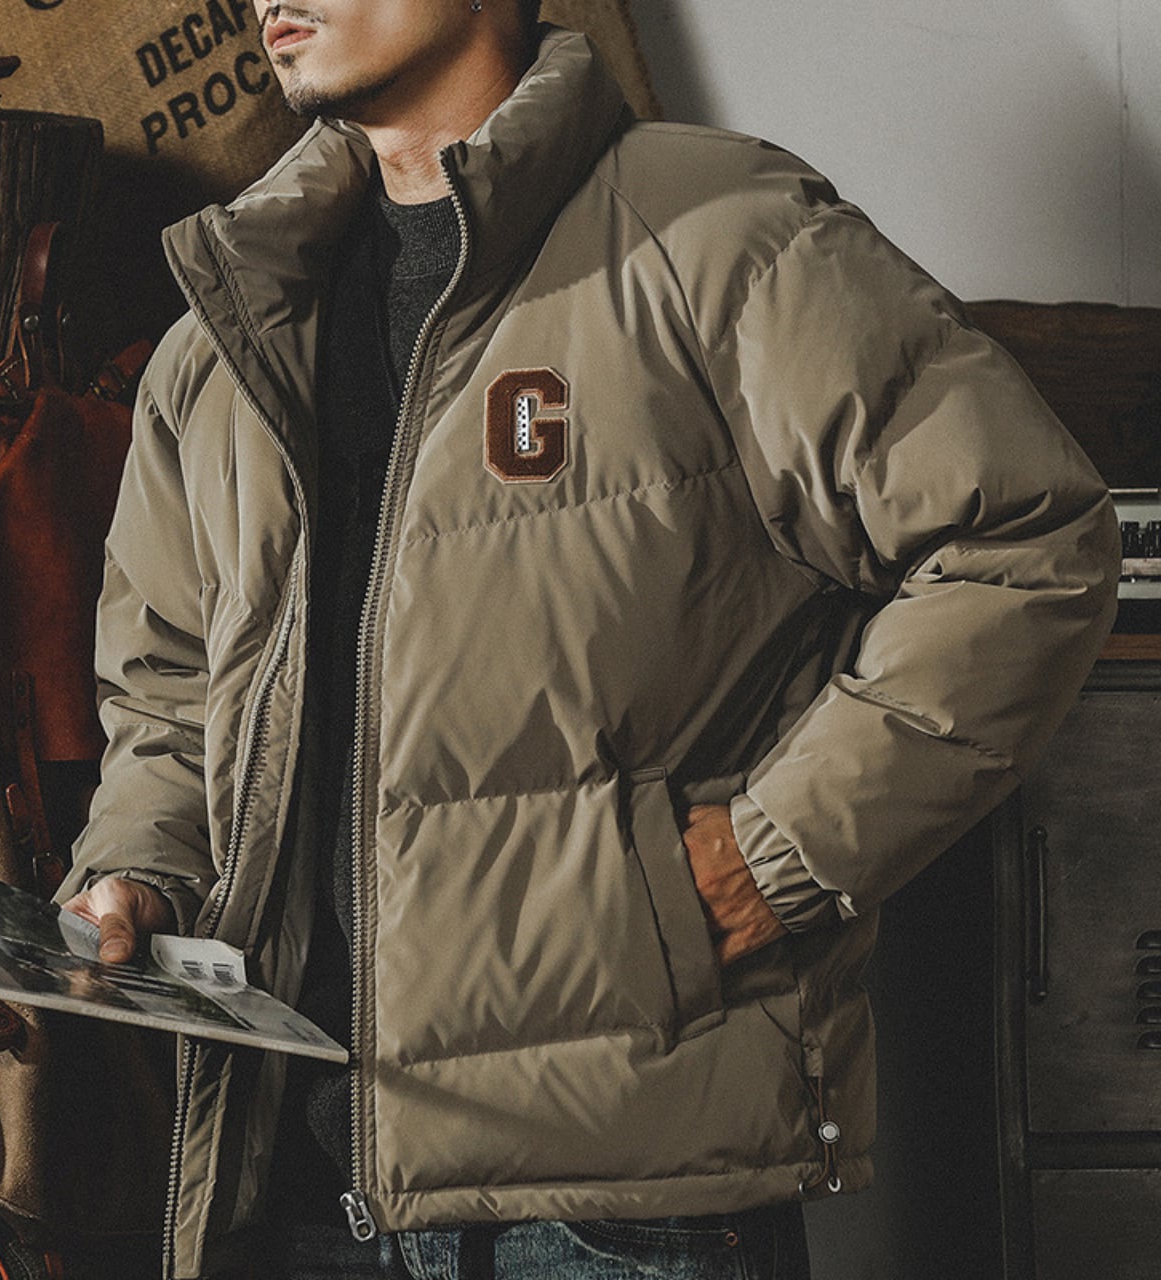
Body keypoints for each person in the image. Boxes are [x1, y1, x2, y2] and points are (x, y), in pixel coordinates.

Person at [59, 2, 1120, 1277]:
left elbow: (1023, 540)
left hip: (613, 1207)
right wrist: (139, 868)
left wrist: (775, 850)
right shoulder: (227, 328)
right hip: (288, 1185)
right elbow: (172, 696)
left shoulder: (713, 229)